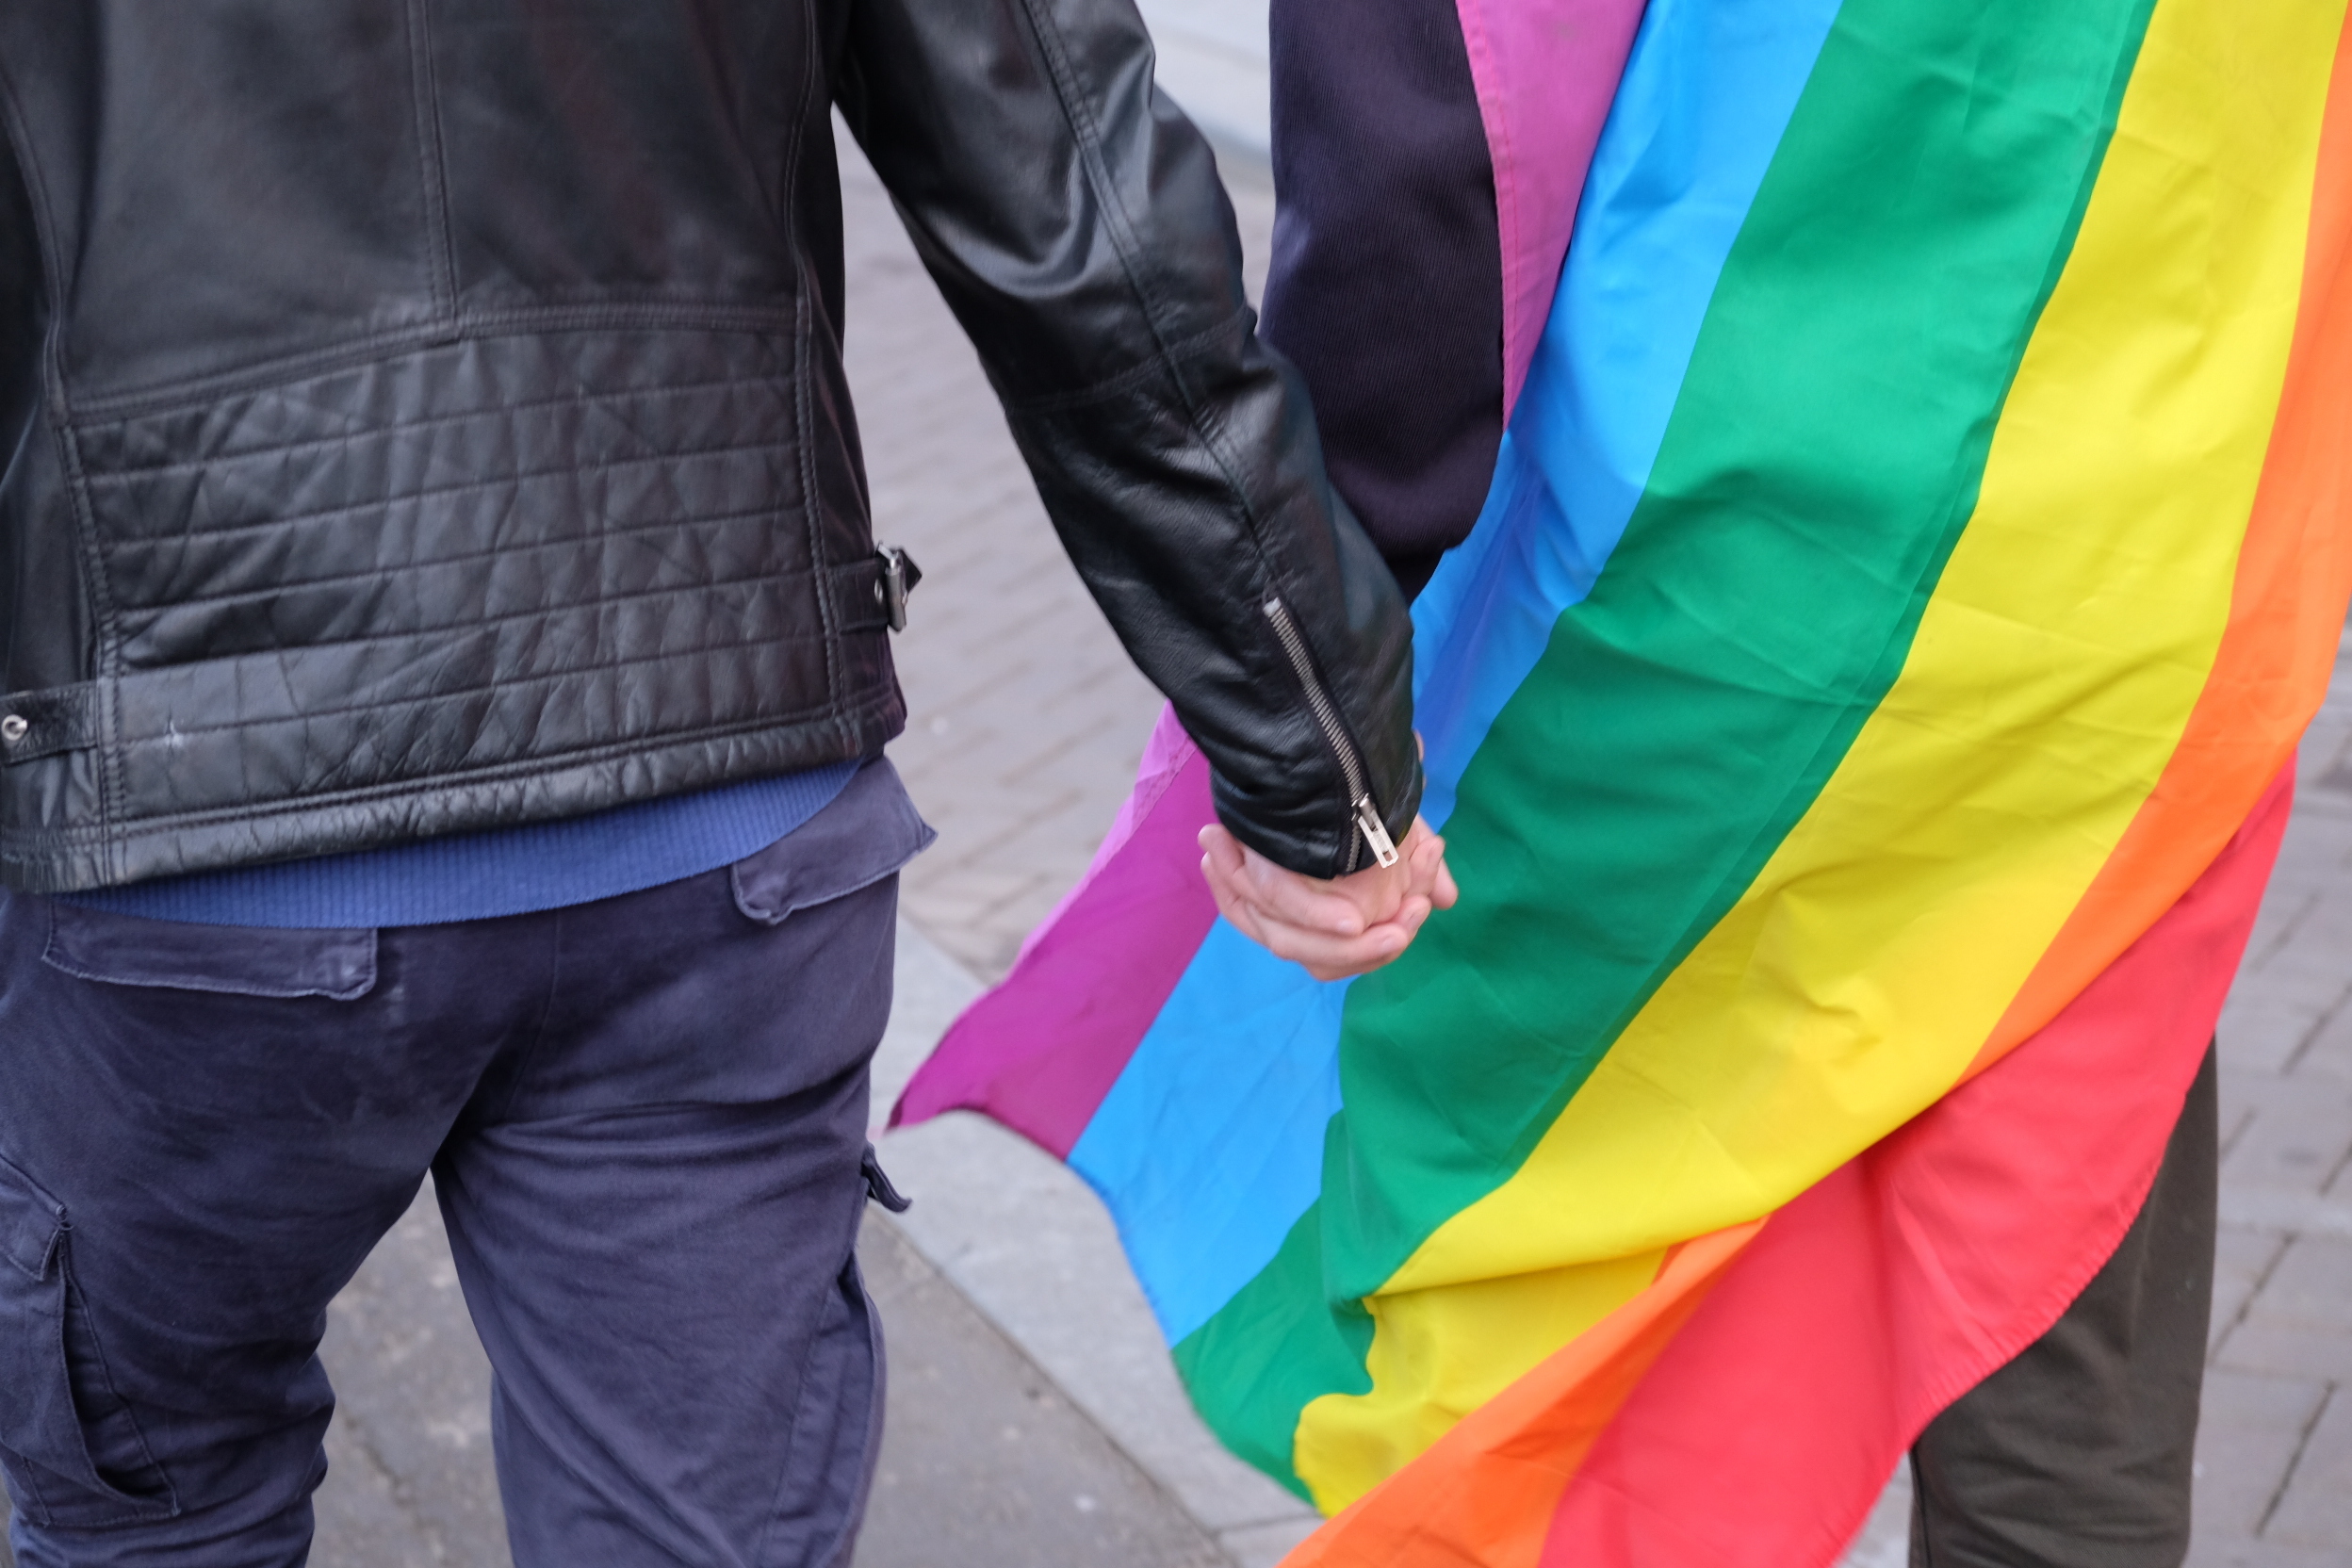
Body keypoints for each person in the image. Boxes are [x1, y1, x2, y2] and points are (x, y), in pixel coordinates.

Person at [0, 3, 1452, 1563]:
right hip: (720, 796)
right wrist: (1324, 768)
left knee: (157, 1509)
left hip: (189, 804)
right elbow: (1085, 219)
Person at [1255, 2, 2214, 1564]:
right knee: (2057, 1366)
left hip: (1701, 602)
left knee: (1546, 1330)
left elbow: (1436, 101)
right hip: (2110, 617)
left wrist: (1321, 635)